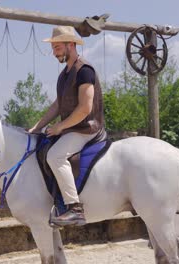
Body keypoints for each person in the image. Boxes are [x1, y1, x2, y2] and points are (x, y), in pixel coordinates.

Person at [27, 26, 105, 226]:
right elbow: (58, 105)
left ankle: (74, 208)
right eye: (53, 49)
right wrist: (38, 126)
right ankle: (56, 201)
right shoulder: (64, 75)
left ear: (71, 45)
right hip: (72, 128)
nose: (54, 52)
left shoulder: (85, 71)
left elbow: (85, 108)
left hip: (86, 129)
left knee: (55, 155)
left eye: (58, 47)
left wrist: (60, 127)